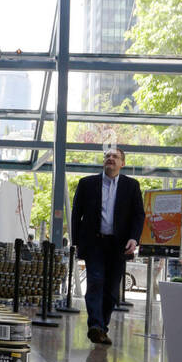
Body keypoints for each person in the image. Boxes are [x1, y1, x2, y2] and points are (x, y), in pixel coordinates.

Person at [71, 147, 145, 346]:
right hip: (94, 242)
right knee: (95, 282)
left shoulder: (131, 186)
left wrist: (134, 239)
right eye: (107, 156)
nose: (110, 158)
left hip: (118, 245)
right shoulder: (87, 184)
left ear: (122, 163)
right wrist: (77, 242)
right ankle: (95, 325)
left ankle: (101, 328)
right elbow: (76, 214)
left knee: (112, 290)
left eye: (115, 157)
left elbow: (139, 215)